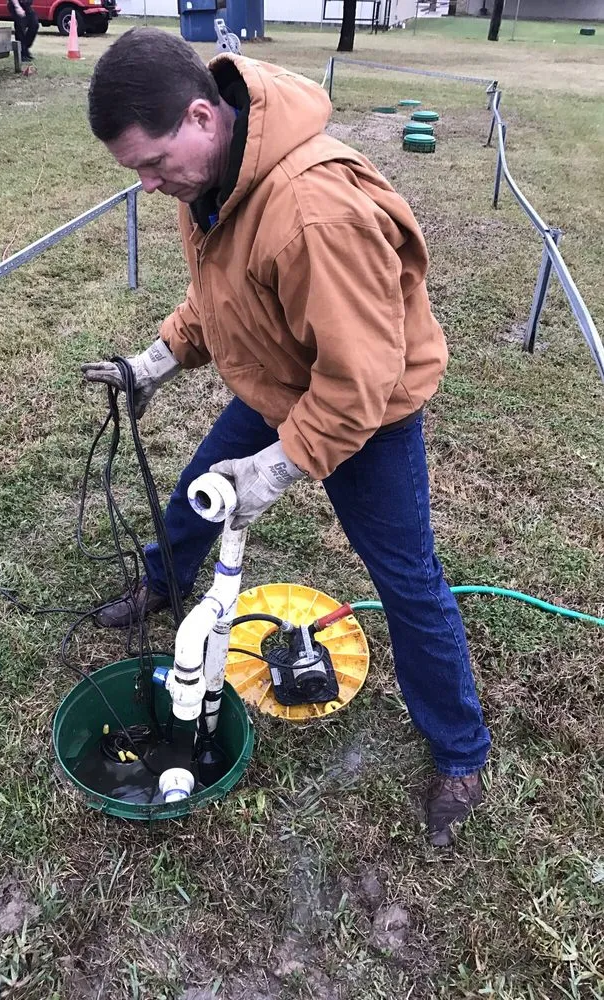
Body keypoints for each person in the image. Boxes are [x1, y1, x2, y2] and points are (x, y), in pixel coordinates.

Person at [82, 27, 490, 846]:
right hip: (280, 380)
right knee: (196, 496)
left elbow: (359, 382)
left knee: (406, 578)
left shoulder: (313, 212)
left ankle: (460, 753)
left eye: (154, 164)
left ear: (203, 114)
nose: (150, 184)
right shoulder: (215, 181)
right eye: (137, 171)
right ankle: (164, 583)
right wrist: (159, 357)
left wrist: (278, 467)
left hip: (367, 414)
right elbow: (226, 297)